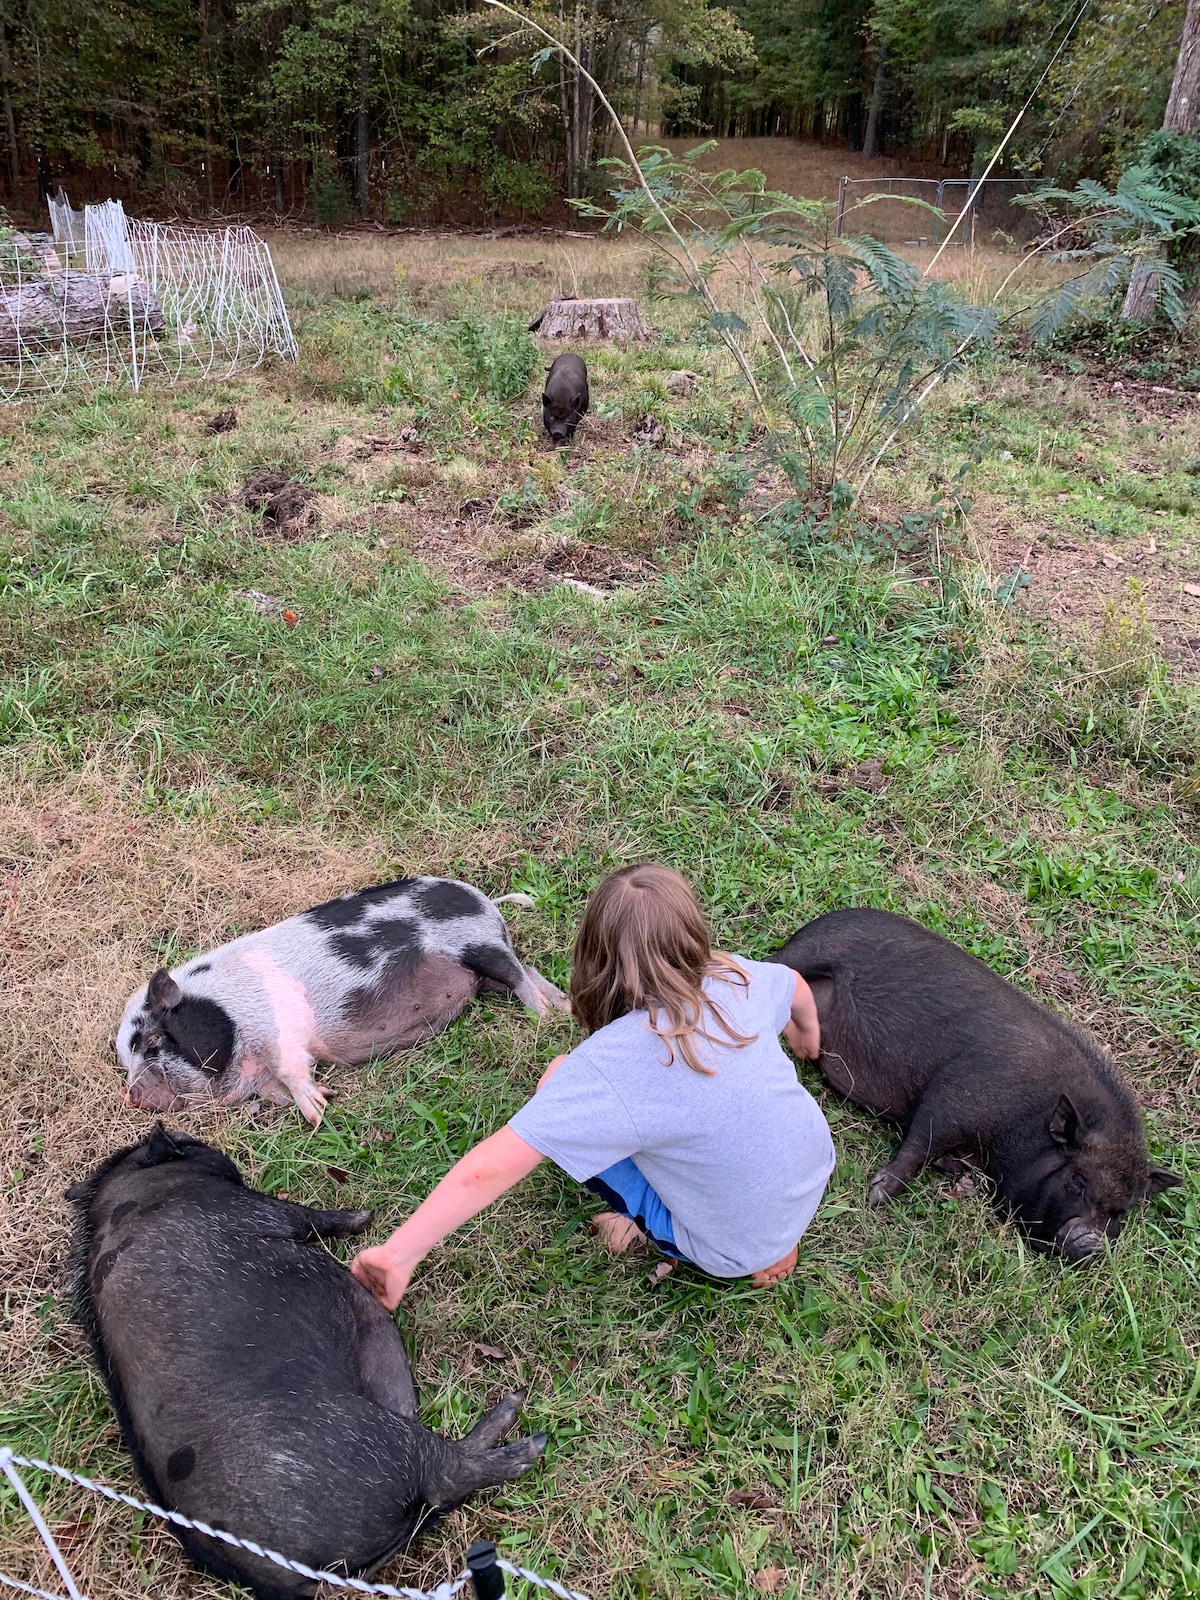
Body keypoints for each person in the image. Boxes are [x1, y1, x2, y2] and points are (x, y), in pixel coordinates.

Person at [351, 864, 834, 1309]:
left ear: (594, 957)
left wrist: (399, 1254)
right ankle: (773, 1236)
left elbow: (489, 1169)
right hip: (815, 1169)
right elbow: (792, 983)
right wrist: (805, 1037)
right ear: (693, 931)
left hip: (732, 1247)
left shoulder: (609, 1069)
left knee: (555, 1084)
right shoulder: (739, 975)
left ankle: (725, 1243)